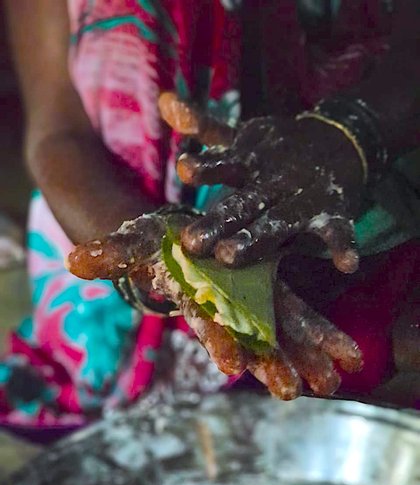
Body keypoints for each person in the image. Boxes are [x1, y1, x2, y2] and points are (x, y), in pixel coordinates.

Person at [2, 0, 419, 434]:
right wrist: (156, 252)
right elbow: (56, 133)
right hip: (104, 256)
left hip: (351, 230)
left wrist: (353, 131)